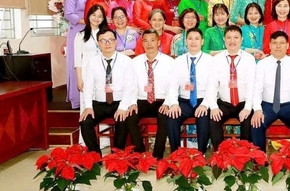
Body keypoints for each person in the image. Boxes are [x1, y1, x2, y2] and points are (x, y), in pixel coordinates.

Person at [78, 28, 137, 154]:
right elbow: (88, 87)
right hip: (99, 103)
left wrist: (123, 107)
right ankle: (95, 156)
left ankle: (116, 156)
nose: (107, 43)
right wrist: (88, 107)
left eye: (110, 40)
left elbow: (130, 86)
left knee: (123, 120)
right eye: (103, 41)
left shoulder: (126, 61)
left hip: (119, 102)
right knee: (85, 122)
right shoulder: (92, 62)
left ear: (116, 42)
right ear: (98, 43)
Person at [251, 31, 290, 152]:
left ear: (287, 45)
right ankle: (259, 159)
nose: (278, 46)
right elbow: (257, 89)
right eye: (274, 43)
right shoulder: (262, 64)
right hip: (267, 105)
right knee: (257, 123)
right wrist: (257, 109)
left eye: (281, 43)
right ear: (269, 45)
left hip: (289, 105)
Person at [205, 25, 256, 149]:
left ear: (241, 39)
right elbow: (212, 85)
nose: (232, 41)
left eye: (236, 37)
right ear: (224, 40)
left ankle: (245, 155)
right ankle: (220, 154)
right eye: (229, 37)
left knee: (248, 121)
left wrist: (248, 108)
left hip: (243, 102)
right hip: (224, 103)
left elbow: (252, 85)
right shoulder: (216, 59)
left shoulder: (249, 59)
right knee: (213, 119)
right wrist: (214, 107)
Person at [164, 28, 213, 153]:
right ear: (186, 41)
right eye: (190, 38)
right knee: (172, 117)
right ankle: (176, 154)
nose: (193, 42)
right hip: (184, 101)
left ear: (202, 41)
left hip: (203, 100)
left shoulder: (210, 61)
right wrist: (173, 104)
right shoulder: (178, 61)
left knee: (204, 118)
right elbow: (172, 85)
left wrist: (205, 104)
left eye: (197, 39)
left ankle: (201, 154)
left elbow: (213, 86)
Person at [126, 29, 174, 158]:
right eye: (146, 41)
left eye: (152, 40)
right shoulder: (134, 62)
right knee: (130, 115)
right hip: (142, 99)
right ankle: (141, 153)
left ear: (158, 42)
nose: (149, 44)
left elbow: (173, 86)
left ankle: (157, 155)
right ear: (142, 43)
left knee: (165, 116)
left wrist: (168, 103)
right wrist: (132, 103)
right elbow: (131, 85)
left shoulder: (169, 62)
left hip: (161, 100)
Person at [64, 0, 94, 109]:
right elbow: (69, 14)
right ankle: (76, 99)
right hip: (77, 31)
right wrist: (88, 21)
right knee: (77, 62)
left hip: (93, 30)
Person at [74, 5, 108, 110]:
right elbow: (77, 59)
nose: (96, 18)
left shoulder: (107, 35)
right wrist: (79, 78)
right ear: (88, 16)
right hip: (86, 71)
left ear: (103, 19)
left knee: (102, 98)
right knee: (87, 100)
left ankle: (103, 121)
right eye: (94, 15)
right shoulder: (80, 35)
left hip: (103, 70)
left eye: (100, 16)